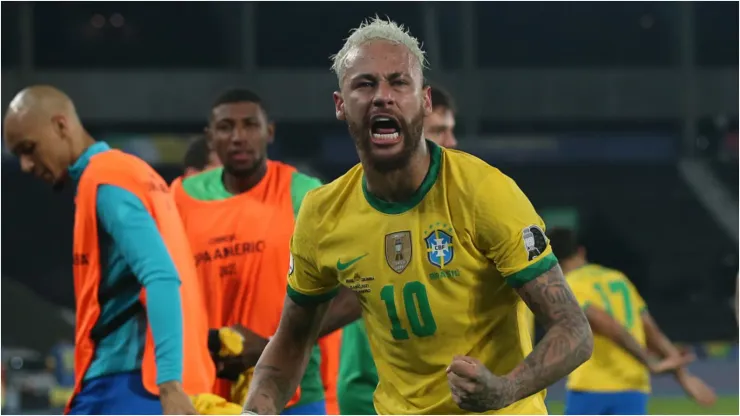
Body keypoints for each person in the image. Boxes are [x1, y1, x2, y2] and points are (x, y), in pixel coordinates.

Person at [243, 17, 593, 415]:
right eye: (365, 84)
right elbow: (291, 341)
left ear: (424, 102)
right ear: (341, 105)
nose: (382, 97)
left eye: (398, 82)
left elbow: (574, 330)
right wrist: (257, 407)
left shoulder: (485, 192)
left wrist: (505, 390)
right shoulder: (322, 214)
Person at [3, 85, 215, 415]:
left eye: (29, 149)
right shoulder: (133, 173)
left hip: (125, 386)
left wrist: (169, 384)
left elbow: (160, 276)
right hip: (146, 382)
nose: (27, 165)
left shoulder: (105, 181)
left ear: (61, 126)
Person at [170, 88, 352, 415]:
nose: (239, 137)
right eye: (226, 127)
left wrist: (271, 346)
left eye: (250, 125)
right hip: (209, 395)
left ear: (269, 132)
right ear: (210, 137)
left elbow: (357, 288)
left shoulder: (304, 194)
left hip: (293, 394)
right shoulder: (182, 198)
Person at [548, 228, 718, 414]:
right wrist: (683, 376)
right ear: (581, 251)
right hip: (634, 387)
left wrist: (649, 361)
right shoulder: (618, 278)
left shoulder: (568, 285)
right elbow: (651, 330)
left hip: (593, 385)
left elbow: (609, 326)